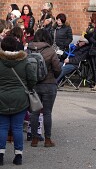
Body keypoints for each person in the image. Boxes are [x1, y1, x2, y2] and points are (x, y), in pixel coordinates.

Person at [0, 36, 37, 165]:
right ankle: (18, 156)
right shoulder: (24, 61)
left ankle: (0, 154)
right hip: (20, 98)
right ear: (16, 46)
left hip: (1, 98)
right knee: (17, 128)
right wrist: (28, 88)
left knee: (2, 127)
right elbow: (32, 78)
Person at [27, 29, 61, 148]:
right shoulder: (50, 51)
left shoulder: (29, 49)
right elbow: (57, 69)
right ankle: (47, 139)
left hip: (34, 85)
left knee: (34, 113)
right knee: (47, 113)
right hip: (49, 84)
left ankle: (34, 139)